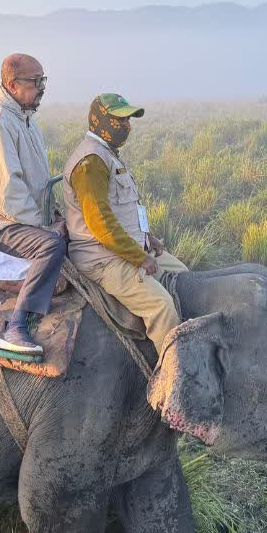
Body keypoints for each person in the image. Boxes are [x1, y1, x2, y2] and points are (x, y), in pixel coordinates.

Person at [62, 94, 188, 352]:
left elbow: (122, 207)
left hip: (127, 247)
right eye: (120, 120)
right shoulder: (91, 162)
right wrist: (139, 258)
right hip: (102, 257)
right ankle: (172, 379)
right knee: (161, 307)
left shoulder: (107, 154)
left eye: (128, 119)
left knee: (184, 275)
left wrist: (147, 238)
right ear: (100, 121)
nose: (127, 126)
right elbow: (101, 224)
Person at [0, 53, 64, 354]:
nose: (42, 87)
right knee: (50, 246)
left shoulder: (24, 118)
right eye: (35, 81)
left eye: (43, 80)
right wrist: (45, 225)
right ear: (12, 84)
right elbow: (8, 194)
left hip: (20, 216)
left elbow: (34, 179)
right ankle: (17, 326)